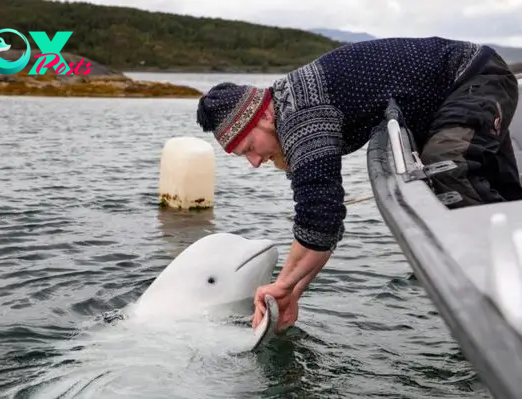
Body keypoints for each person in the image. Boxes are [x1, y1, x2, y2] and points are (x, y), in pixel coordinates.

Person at [195, 36, 522, 333]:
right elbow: (325, 229)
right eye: (243, 156)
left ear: (263, 118)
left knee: (447, 167)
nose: (254, 161)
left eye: (249, 147)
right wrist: (292, 293)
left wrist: (282, 285)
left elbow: (318, 225)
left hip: (474, 78)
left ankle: (501, 292)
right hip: (452, 96)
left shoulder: (299, 116)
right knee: (505, 194)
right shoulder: (289, 109)